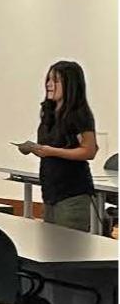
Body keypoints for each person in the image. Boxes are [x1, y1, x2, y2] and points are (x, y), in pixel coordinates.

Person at [31, 61, 98, 231]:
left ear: (70, 85)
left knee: (68, 243)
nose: (49, 84)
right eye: (48, 79)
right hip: (50, 192)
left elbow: (89, 151)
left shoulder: (79, 115)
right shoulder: (49, 113)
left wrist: (52, 151)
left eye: (56, 81)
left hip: (72, 194)